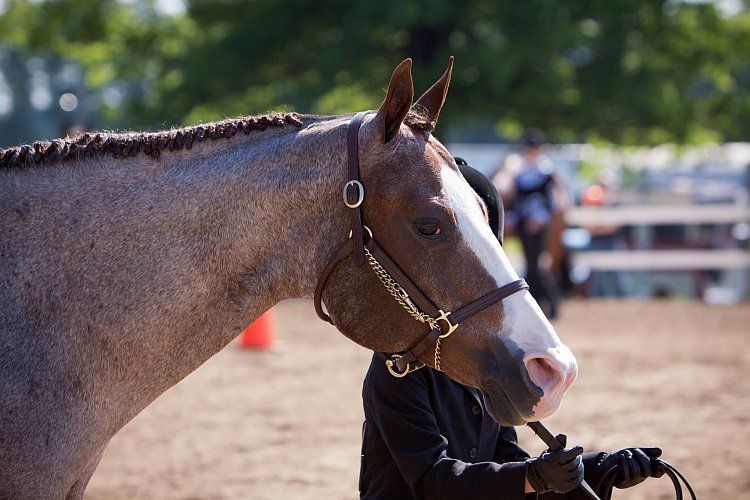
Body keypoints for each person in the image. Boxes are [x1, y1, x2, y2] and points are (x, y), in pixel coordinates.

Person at [359, 164, 664, 500]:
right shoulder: (398, 368)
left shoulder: (491, 358)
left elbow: (510, 467)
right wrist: (536, 474)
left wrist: (598, 468)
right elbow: (434, 481)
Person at [495, 129, 568, 319]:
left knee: (536, 266)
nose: (531, 151)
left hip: (537, 223)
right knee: (530, 264)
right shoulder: (521, 170)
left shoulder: (546, 171)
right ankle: (539, 306)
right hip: (523, 222)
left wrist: (539, 218)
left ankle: (552, 304)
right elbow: (516, 199)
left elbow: (552, 202)